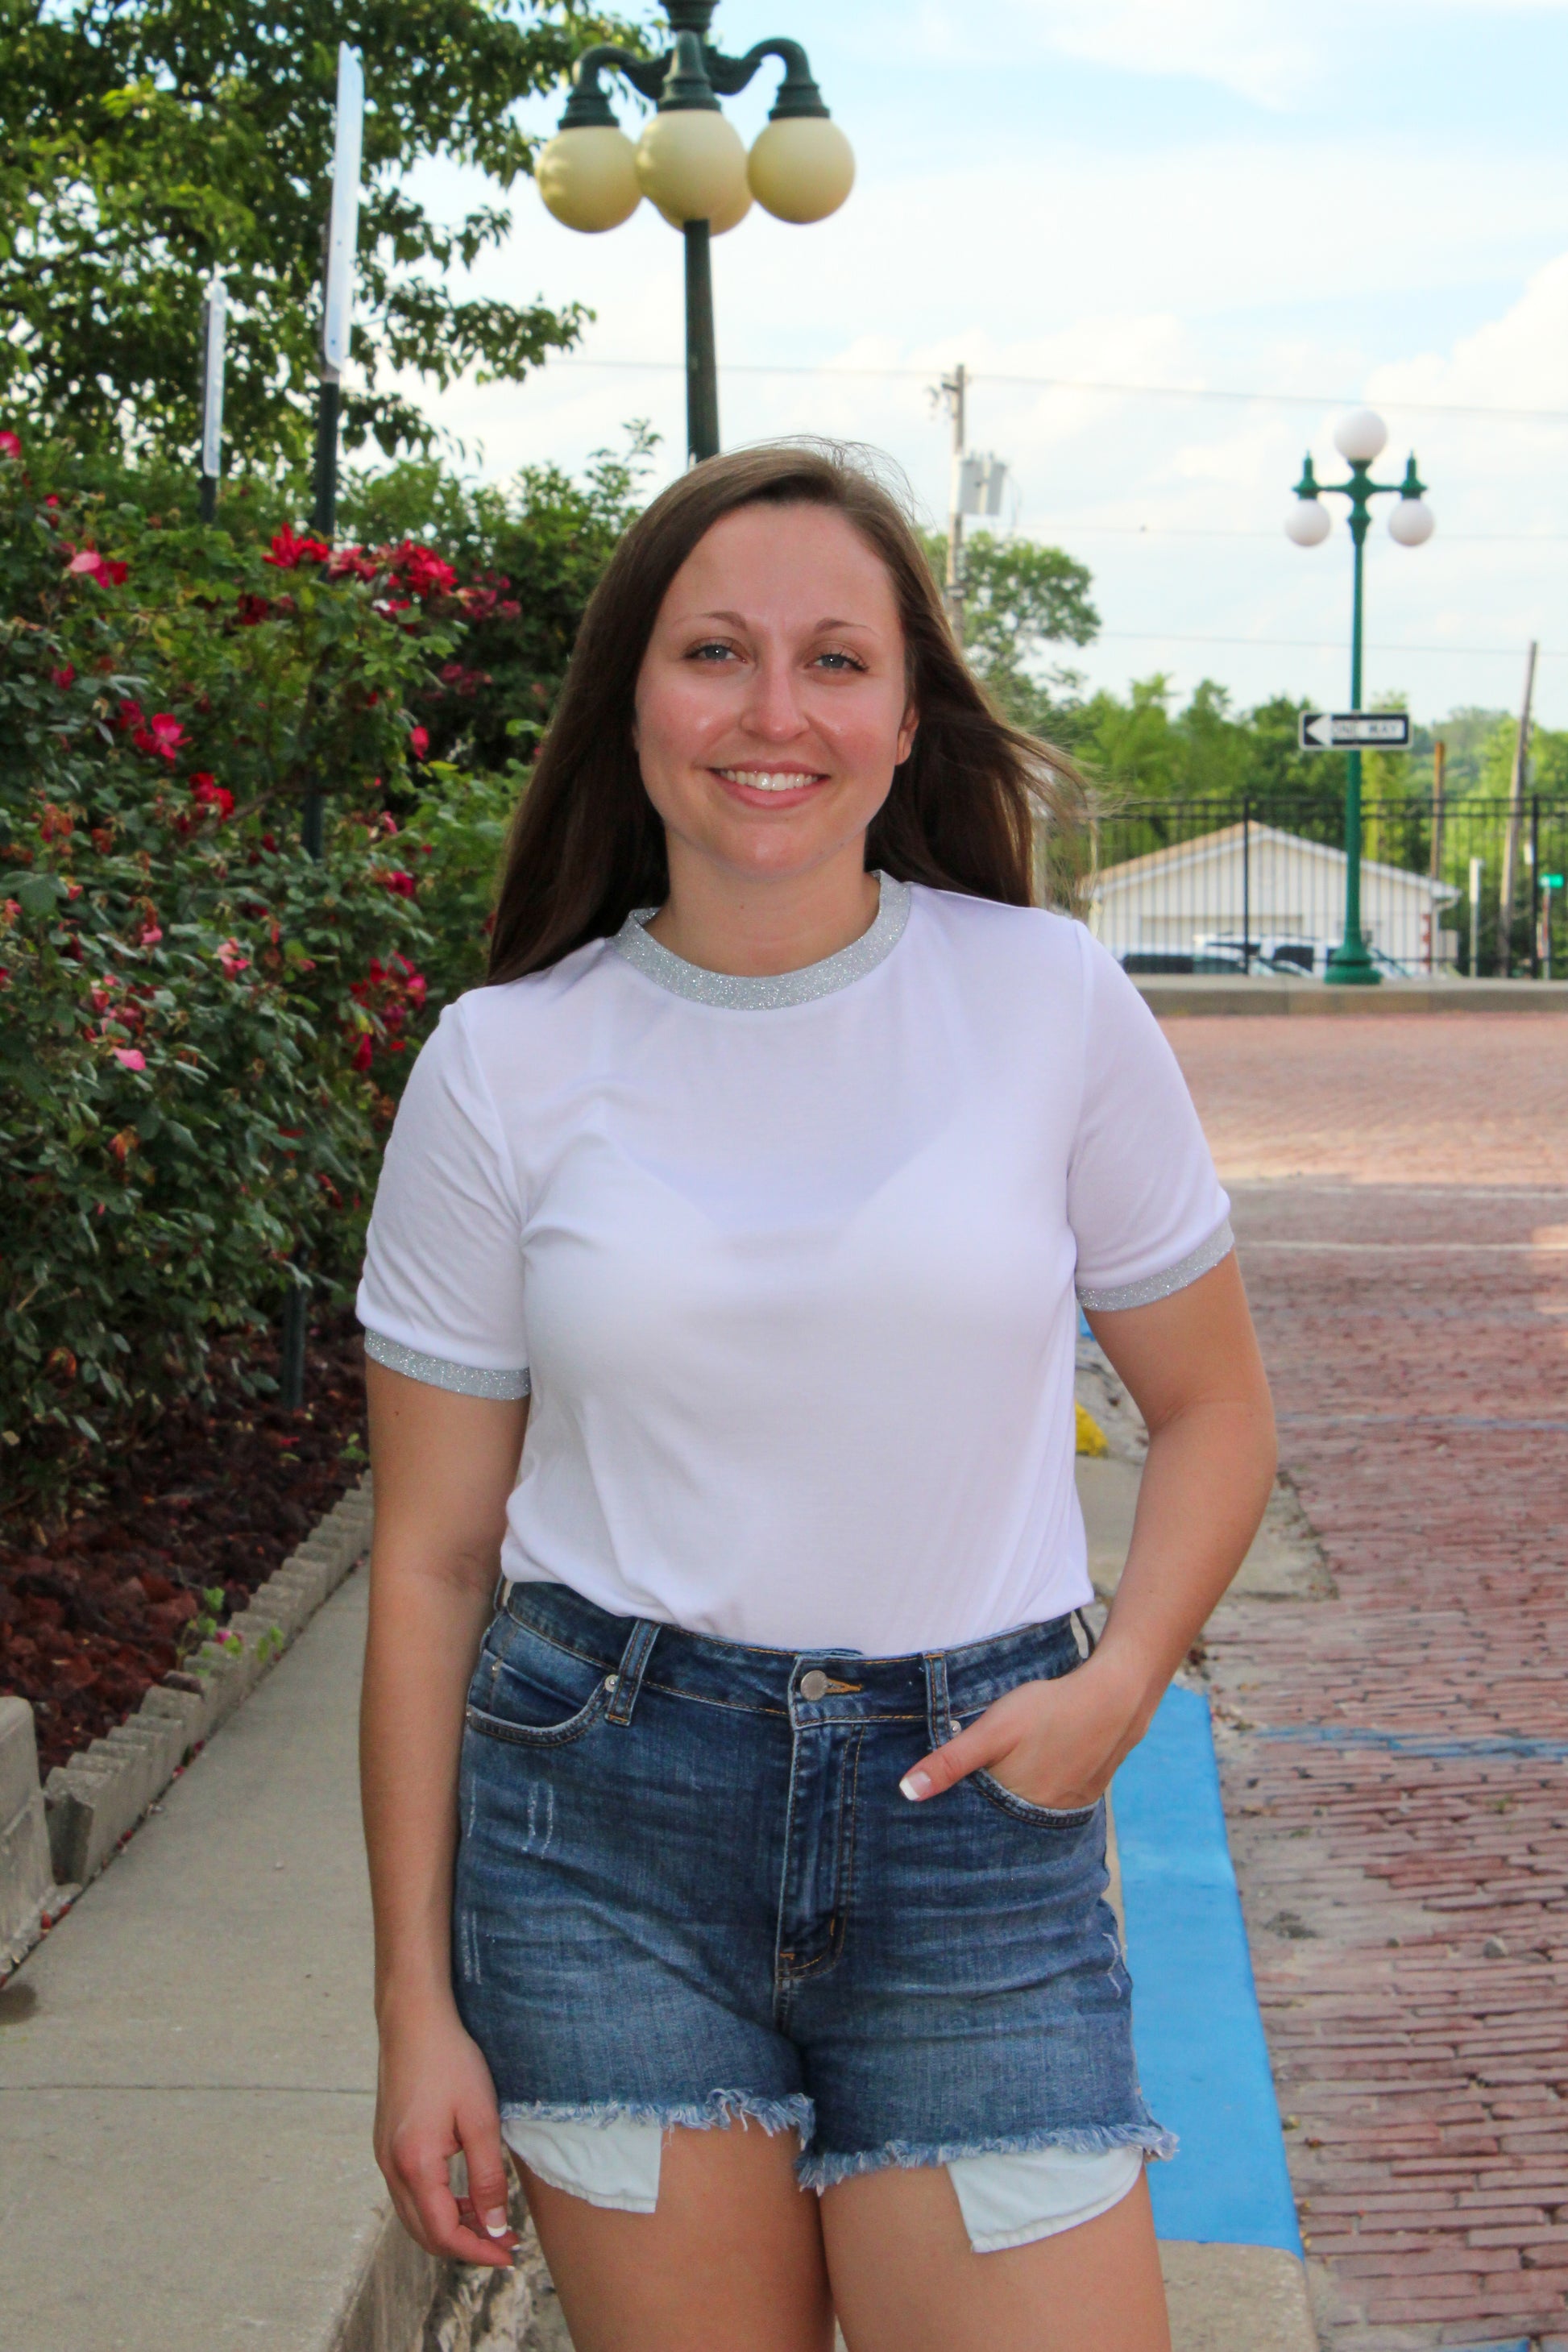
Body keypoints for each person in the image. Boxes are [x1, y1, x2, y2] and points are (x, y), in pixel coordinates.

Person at [357, 442, 1276, 2352]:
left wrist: (1120, 1682)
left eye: (836, 660)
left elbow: (1210, 1412)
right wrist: (416, 2009)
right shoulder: (501, 1065)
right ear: (632, 699)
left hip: (977, 1822)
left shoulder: (1047, 1000)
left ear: (907, 711)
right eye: (716, 652)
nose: (774, 712)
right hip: (605, 1835)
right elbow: (435, 1559)